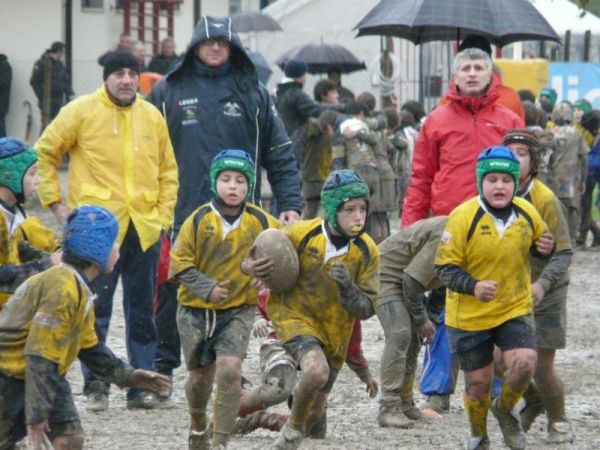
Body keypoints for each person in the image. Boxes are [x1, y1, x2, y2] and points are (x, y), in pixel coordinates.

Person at [146, 15, 301, 388]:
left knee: (244, 284)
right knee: (173, 285)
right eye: (208, 41)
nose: (215, 47)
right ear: (195, 46)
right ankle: (163, 365)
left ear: (232, 48)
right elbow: (144, 154)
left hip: (240, 212)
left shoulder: (254, 93)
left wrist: (290, 202)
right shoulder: (169, 91)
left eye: (222, 42)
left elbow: (279, 153)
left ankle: (232, 361)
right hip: (180, 210)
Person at [35, 49, 179, 411]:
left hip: (144, 228)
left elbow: (168, 171)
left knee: (143, 311)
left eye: (133, 73)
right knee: (92, 310)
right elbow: (45, 152)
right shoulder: (80, 111)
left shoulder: (152, 115)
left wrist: (163, 218)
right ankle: (96, 384)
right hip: (95, 231)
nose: (127, 80)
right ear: (106, 77)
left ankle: (140, 385)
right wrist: (57, 205)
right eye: (119, 73)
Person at [0, 205, 171, 450]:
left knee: (70, 438)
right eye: (114, 242)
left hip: (44, 373)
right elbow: (39, 355)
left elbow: (90, 348)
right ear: (97, 251)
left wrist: (129, 376)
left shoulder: (77, 286)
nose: (117, 248)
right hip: (9, 375)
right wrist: (36, 418)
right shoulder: (62, 289)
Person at [435, 146, 554, 450]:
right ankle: (478, 434)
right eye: (492, 179)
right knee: (478, 383)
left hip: (513, 306)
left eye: (506, 179)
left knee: (526, 364)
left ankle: (504, 410)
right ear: (480, 182)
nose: (499, 186)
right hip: (469, 316)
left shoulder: (527, 212)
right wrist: (472, 286)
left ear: (516, 182)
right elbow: (444, 268)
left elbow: (539, 246)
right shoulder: (464, 216)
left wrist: (545, 248)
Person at [168, 150, 280, 449]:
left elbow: (285, 248)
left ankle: (220, 442)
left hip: (239, 309)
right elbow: (177, 265)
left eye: (241, 180)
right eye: (226, 179)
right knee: (200, 378)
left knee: (230, 370)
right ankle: (197, 423)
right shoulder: (198, 219)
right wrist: (206, 288)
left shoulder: (260, 220)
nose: (233, 186)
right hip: (195, 311)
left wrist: (268, 277)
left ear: (250, 186)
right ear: (215, 183)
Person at [265, 169, 379, 449]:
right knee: (316, 372)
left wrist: (349, 289)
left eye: (363, 209)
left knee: (314, 419)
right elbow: (264, 255)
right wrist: (253, 268)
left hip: (334, 335)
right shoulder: (300, 233)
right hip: (294, 316)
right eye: (349, 209)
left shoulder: (367, 251)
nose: (358, 217)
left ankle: (273, 419)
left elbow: (367, 309)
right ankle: (289, 432)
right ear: (331, 208)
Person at [502, 129, 575, 444]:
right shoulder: (494, 194)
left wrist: (543, 284)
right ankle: (533, 402)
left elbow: (565, 253)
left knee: (542, 365)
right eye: (508, 153)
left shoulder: (545, 199)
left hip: (548, 291)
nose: (513, 160)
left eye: (521, 154)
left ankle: (559, 422)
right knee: (494, 359)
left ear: (534, 162)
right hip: (511, 289)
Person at [401, 47, 523, 228]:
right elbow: (421, 178)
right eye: (465, 69)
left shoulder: (510, 121)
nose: (472, 74)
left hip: (499, 223)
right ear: (455, 77)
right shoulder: (436, 121)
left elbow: (524, 177)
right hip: (449, 222)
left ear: (490, 76)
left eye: (478, 68)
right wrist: (409, 229)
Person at [233, 289, 378, 437]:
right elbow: (263, 298)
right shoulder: (308, 279)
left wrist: (365, 374)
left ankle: (259, 419)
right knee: (278, 389)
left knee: (312, 429)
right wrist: (258, 318)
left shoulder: (349, 305)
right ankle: (228, 413)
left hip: (319, 360)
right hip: (283, 342)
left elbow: (352, 346)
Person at [376, 216, 448, 428]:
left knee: (415, 338)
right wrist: (421, 318)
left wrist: (430, 319)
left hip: (407, 281)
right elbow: (412, 280)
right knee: (400, 333)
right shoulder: (449, 234)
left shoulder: (474, 239)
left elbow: (446, 280)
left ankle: (405, 403)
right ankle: (388, 407)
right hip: (385, 274)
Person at [0, 137, 61, 310]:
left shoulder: (12, 215)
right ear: (8, 175)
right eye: (32, 173)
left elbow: (18, 248)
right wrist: (46, 264)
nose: (38, 181)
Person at [276, 58, 342, 170]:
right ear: (300, 75)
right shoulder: (296, 94)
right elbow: (314, 109)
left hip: (284, 143)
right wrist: (343, 107)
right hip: (297, 145)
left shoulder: (281, 93)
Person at [547, 101, 588, 245]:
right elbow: (584, 158)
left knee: (554, 209)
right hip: (572, 180)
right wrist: (583, 180)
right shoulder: (576, 135)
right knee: (571, 210)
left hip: (552, 179)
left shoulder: (549, 134)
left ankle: (555, 239)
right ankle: (570, 240)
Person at [30, 42, 74, 129]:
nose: (63, 54)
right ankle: (44, 142)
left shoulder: (59, 65)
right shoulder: (42, 63)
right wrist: (42, 95)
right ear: (58, 51)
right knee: (46, 126)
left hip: (58, 100)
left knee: (58, 125)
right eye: (63, 52)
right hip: (46, 101)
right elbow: (34, 81)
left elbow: (65, 81)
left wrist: (70, 94)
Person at [0, 53, 11, 137]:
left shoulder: (4, 65)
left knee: (1, 129)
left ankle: (3, 148)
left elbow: (4, 83)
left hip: (1, 104)